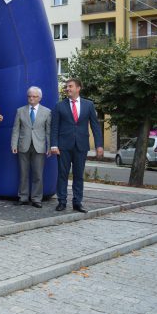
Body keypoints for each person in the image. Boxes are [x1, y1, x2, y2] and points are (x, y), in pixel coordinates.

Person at [50, 78, 103, 213]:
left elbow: (95, 126)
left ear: (78, 88)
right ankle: (62, 202)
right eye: (66, 87)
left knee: (79, 175)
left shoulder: (88, 105)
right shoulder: (59, 106)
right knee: (62, 174)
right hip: (63, 146)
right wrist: (54, 145)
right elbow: (54, 127)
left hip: (81, 145)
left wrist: (99, 145)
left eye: (70, 86)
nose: (67, 88)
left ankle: (77, 203)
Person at [10, 86, 51, 208]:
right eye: (29, 96)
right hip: (23, 145)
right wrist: (13, 144)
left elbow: (48, 132)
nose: (31, 98)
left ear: (40, 98)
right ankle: (23, 197)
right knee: (23, 173)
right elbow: (16, 130)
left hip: (40, 146)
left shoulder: (47, 112)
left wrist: (49, 147)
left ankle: (36, 199)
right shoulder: (20, 111)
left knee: (38, 174)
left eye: (34, 96)